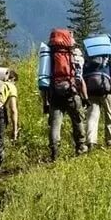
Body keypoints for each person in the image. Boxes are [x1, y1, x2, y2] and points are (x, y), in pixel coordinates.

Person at [47, 32, 88, 160]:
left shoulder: (50, 56)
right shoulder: (75, 55)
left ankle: (54, 150)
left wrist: (45, 101)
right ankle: (81, 147)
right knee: (78, 120)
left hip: (54, 94)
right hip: (72, 93)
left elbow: (44, 80)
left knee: (55, 124)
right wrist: (85, 97)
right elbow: (80, 79)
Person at [83, 34, 111, 150]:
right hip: (105, 87)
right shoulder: (108, 52)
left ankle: (91, 142)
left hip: (90, 87)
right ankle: (110, 141)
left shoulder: (88, 52)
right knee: (109, 115)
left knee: (92, 116)